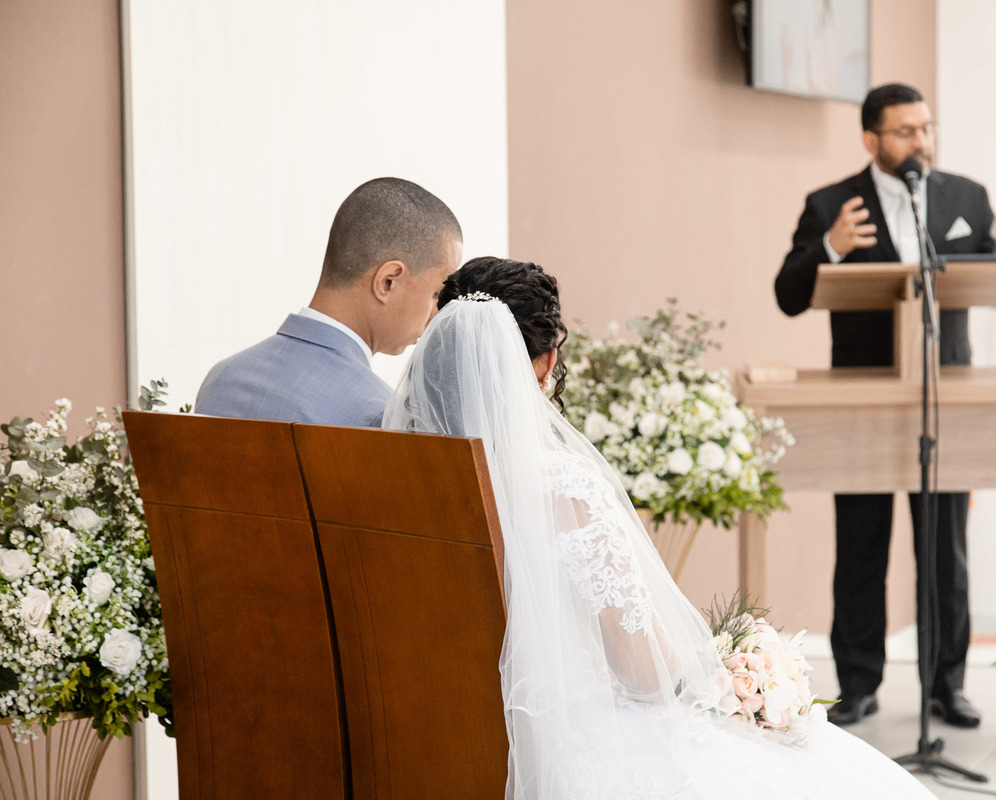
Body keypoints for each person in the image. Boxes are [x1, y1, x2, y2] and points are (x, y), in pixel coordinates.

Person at [384, 256, 936, 799]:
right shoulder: (563, 485)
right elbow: (642, 675)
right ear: (544, 364)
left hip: (444, 728)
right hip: (563, 742)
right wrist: (718, 672)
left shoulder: (398, 474)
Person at [773, 83, 996, 729]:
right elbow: (787, 292)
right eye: (906, 132)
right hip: (863, 401)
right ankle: (858, 685)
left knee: (945, 551)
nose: (922, 141)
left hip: (945, 398)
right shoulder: (830, 203)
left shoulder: (964, 196)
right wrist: (830, 246)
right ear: (871, 140)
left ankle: (946, 686)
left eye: (926, 128)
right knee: (860, 545)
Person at [195, 177, 462, 426]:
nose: (435, 315)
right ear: (387, 281)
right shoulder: (379, 415)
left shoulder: (221, 378)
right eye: (435, 295)